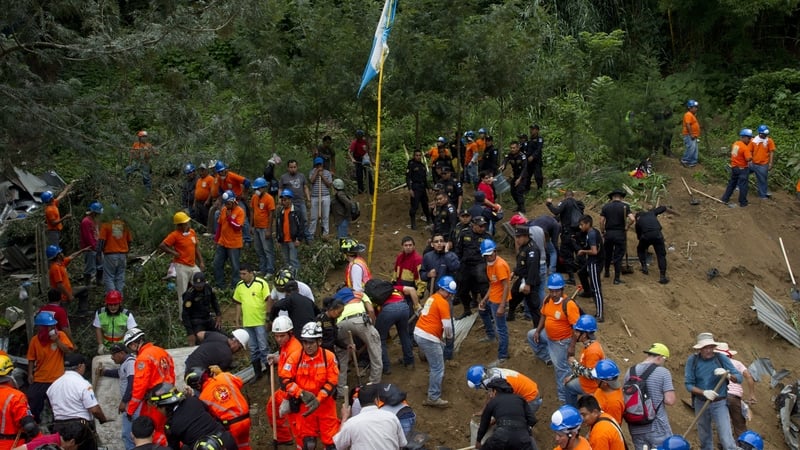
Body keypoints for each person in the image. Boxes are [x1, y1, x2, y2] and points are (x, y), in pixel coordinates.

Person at [281, 322, 340, 450]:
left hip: (325, 406)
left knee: (332, 443)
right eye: (305, 342)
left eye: (311, 342)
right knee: (308, 443)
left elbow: (332, 382)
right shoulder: (295, 357)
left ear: (319, 341)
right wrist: (300, 393)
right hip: (304, 407)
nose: (308, 346)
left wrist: (318, 399)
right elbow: (285, 380)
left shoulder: (329, 357)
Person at [684, 332, 742, 450]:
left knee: (727, 440)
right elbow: (688, 385)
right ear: (700, 348)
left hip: (719, 402)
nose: (709, 350)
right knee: (705, 439)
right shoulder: (693, 360)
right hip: (701, 402)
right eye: (705, 348)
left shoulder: (721, 358)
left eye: (711, 347)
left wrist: (728, 375)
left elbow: (739, 378)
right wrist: (704, 392)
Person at [530, 274, 580, 404]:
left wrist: (572, 346)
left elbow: (577, 329)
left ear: (562, 290)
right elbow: (543, 315)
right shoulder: (548, 300)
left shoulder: (569, 305)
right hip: (549, 335)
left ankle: (564, 397)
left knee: (561, 370)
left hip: (561, 341)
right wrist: (538, 331)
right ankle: (547, 358)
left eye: (556, 290)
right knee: (531, 335)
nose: (553, 293)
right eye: (551, 290)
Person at [124, 327, 175, 447]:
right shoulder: (162, 351)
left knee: (152, 431)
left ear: (133, 344)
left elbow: (139, 387)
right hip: (170, 397)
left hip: (154, 402)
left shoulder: (142, 358)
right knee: (166, 428)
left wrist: (130, 410)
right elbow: (171, 373)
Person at [47, 353, 110, 450]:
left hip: (58, 427)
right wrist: (103, 419)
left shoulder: (53, 385)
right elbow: (94, 409)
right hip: (79, 427)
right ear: (80, 366)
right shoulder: (82, 384)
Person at [147, 383, 237, 450]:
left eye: (157, 407)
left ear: (164, 406)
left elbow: (174, 448)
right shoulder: (193, 400)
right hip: (227, 440)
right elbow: (210, 412)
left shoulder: (170, 425)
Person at [414, 276, 456, 407]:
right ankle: (433, 396)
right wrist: (449, 337)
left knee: (439, 353)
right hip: (429, 337)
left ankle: (434, 383)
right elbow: (447, 325)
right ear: (445, 290)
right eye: (449, 293)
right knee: (438, 367)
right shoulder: (443, 303)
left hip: (419, 332)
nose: (450, 296)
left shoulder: (432, 297)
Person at [624, 342, 676, 449]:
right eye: (664, 359)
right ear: (659, 357)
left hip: (636, 428)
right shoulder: (663, 372)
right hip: (657, 427)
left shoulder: (630, 371)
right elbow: (670, 400)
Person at [27, 311, 75, 422]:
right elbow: (31, 358)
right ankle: (35, 425)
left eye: (53, 326)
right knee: (32, 401)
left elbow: (68, 351)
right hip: (40, 378)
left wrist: (57, 341)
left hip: (57, 379)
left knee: (58, 405)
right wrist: (30, 373)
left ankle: (57, 427)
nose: (52, 328)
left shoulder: (60, 336)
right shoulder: (35, 340)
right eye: (49, 327)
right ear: (41, 328)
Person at [189, 367, 251, 450]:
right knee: (244, 445)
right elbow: (239, 382)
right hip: (246, 419)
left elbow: (210, 416)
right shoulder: (224, 376)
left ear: (197, 385)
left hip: (231, 426)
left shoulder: (203, 398)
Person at [333, 287, 382, 389]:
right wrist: (371, 326)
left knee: (342, 356)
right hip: (359, 320)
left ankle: (341, 388)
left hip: (340, 324)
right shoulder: (359, 294)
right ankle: (374, 382)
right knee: (374, 349)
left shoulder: (336, 298)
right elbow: (371, 310)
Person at [334, 383, 407, 450]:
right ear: (377, 400)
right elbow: (402, 443)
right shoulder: (391, 417)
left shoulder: (351, 423)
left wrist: (344, 417)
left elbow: (338, 445)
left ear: (359, 402)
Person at [265, 316, 302, 446]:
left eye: (282, 336)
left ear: (290, 333)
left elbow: (295, 377)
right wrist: (276, 359)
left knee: (295, 420)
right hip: (284, 387)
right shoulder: (286, 345)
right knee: (272, 407)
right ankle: (283, 438)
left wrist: (288, 398)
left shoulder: (295, 349)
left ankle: (301, 443)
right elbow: (285, 359)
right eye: (276, 336)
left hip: (292, 391)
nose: (279, 339)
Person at [473, 378, 536, 450]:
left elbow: (484, 423)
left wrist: (478, 441)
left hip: (501, 437)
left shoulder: (493, 402)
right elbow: (532, 420)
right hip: (523, 438)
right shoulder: (520, 398)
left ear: (495, 391)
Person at [232, 263, 270, 378]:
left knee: (263, 347)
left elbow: (268, 300)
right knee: (253, 349)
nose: (242, 276)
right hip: (247, 323)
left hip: (260, 321)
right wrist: (237, 320)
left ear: (251, 273)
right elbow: (238, 304)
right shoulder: (239, 285)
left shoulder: (261, 283)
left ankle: (269, 372)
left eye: (244, 274)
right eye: (240, 274)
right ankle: (258, 374)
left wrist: (268, 318)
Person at [160, 211, 204, 311]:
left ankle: (199, 309)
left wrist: (201, 261)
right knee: (182, 292)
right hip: (181, 266)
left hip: (193, 265)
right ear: (180, 225)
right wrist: (174, 253)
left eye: (187, 223)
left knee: (201, 285)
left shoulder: (192, 232)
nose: (187, 225)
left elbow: (196, 248)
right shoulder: (174, 235)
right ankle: (183, 316)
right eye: (185, 223)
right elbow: (162, 245)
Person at [477, 239, 511, 366]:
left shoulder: (500, 265)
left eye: (490, 255)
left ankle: (503, 355)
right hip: (492, 298)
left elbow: (506, 286)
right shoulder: (489, 264)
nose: (489, 257)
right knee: (482, 312)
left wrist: (502, 306)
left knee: (501, 328)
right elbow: (492, 284)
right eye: (486, 256)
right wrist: (485, 299)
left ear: (495, 252)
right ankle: (491, 335)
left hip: (499, 301)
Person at [97, 344, 136, 450]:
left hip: (132, 403)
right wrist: (104, 372)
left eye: (114, 355)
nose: (112, 358)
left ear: (122, 353)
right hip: (130, 403)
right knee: (129, 433)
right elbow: (119, 373)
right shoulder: (125, 364)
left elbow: (132, 383)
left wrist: (124, 401)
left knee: (129, 434)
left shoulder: (130, 363)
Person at [467, 364, 542, 417]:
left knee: (515, 421)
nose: (481, 388)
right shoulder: (491, 374)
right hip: (527, 389)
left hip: (531, 398)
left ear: (482, 381)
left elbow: (505, 408)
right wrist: (484, 411)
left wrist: (489, 423)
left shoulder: (502, 386)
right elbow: (490, 395)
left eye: (480, 386)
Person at [714, 342, 755, 437]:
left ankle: (724, 444)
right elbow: (749, 377)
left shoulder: (715, 363)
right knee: (739, 425)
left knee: (723, 424)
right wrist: (752, 394)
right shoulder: (737, 363)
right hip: (734, 398)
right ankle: (742, 444)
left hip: (719, 396)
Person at [454, 216, 491, 319]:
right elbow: (458, 250)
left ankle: (488, 312)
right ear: (473, 225)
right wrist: (459, 263)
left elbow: (491, 252)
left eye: (484, 226)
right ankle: (467, 309)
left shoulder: (487, 236)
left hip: (480, 264)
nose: (482, 228)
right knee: (461, 290)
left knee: (484, 288)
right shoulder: (464, 233)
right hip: (466, 265)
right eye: (480, 226)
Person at [564, 315, 605, 407]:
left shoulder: (592, 351)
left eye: (578, 331)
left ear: (584, 334)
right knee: (569, 384)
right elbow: (584, 365)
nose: (575, 333)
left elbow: (591, 374)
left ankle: (572, 412)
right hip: (585, 382)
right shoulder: (590, 345)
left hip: (590, 387)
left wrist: (574, 364)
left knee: (569, 388)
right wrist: (572, 376)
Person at [0, 354, 38, 450]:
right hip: (11, 444)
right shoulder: (16, 396)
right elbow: (29, 426)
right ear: (10, 374)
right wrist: (41, 438)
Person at [546, 191, 585, 285]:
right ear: (573, 196)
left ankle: (571, 278)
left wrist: (549, 204)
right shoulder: (578, 204)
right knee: (580, 253)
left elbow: (556, 212)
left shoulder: (566, 202)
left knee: (567, 255)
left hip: (567, 233)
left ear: (565, 196)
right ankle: (585, 273)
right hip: (578, 233)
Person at [376, 285, 415, 375]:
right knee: (404, 334)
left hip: (388, 309)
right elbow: (412, 289)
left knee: (380, 339)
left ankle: (386, 367)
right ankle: (409, 362)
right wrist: (416, 305)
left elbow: (376, 315)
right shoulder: (394, 287)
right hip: (403, 306)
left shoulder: (374, 295)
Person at [508, 225, 542, 326]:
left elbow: (533, 268)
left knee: (533, 306)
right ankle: (510, 315)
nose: (517, 240)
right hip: (522, 278)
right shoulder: (524, 247)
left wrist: (528, 284)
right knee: (513, 296)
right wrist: (514, 272)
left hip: (530, 281)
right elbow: (521, 262)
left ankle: (538, 328)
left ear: (526, 236)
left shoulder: (532, 249)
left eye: (519, 237)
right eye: (516, 237)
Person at [599, 188, 634, 285]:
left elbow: (601, 221)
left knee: (608, 254)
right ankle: (617, 278)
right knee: (618, 256)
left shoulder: (606, 207)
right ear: (621, 197)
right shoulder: (625, 206)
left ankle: (606, 272)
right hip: (620, 234)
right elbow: (632, 219)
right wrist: (627, 226)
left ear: (612, 198)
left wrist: (602, 231)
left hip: (609, 234)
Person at [213, 190, 245, 289]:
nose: (226, 205)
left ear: (233, 201)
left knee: (235, 267)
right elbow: (219, 225)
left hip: (234, 244)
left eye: (228, 203)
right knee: (217, 264)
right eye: (225, 203)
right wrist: (216, 239)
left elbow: (238, 227)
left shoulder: (240, 211)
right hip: (222, 242)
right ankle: (220, 285)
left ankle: (234, 286)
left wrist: (230, 218)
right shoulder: (223, 210)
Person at [576, 215, 605, 321]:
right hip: (594, 261)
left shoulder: (591, 234)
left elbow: (594, 251)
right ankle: (587, 292)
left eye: (582, 225)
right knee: (581, 273)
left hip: (594, 262)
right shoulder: (594, 232)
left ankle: (600, 314)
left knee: (596, 288)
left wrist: (583, 251)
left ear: (588, 224)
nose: (580, 227)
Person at [47, 245, 90, 315]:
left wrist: (83, 250)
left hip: (68, 291)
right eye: (61, 252)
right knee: (63, 316)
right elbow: (59, 285)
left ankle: (82, 311)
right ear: (58, 256)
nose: (63, 254)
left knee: (84, 290)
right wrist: (69, 295)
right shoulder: (55, 268)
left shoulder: (61, 263)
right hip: (63, 296)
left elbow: (72, 256)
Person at [97, 207, 132, 293]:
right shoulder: (124, 225)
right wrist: (126, 252)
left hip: (110, 255)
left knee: (109, 277)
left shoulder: (106, 225)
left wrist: (98, 253)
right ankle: (119, 299)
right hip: (122, 255)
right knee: (120, 277)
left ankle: (112, 299)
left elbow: (101, 241)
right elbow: (129, 241)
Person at [181, 272, 222, 345]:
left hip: (208, 318)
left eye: (200, 286)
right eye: (197, 286)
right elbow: (185, 314)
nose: (198, 288)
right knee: (200, 341)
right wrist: (190, 333)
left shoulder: (208, 288)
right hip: (196, 321)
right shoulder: (189, 294)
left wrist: (218, 314)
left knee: (222, 336)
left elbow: (214, 301)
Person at [634, 205, 670, 284]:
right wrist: (663, 207)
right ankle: (662, 276)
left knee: (640, 249)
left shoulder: (638, 223)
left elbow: (639, 237)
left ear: (637, 217)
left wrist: (645, 246)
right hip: (658, 235)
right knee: (661, 255)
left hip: (646, 236)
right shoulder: (651, 213)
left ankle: (644, 267)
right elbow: (662, 208)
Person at [93, 290, 137, 354]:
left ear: (120, 303)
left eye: (115, 304)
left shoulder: (127, 315)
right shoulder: (100, 313)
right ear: (107, 304)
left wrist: (132, 347)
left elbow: (133, 332)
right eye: (110, 305)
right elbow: (98, 329)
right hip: (106, 347)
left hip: (122, 347)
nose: (113, 307)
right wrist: (100, 345)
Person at [184, 329, 248, 373]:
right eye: (240, 348)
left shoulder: (217, 335)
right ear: (236, 343)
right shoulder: (227, 356)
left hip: (189, 362)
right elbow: (217, 375)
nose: (238, 351)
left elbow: (199, 334)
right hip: (199, 373)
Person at [720, 129, 754, 208]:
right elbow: (748, 159)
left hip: (734, 167)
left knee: (732, 183)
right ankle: (743, 202)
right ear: (744, 137)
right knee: (743, 186)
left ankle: (725, 198)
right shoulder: (745, 148)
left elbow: (734, 154)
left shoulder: (735, 144)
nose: (750, 140)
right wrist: (751, 157)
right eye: (749, 138)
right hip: (743, 169)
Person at [249, 177, 276, 276]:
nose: (256, 191)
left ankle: (270, 270)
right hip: (256, 227)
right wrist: (251, 226)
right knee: (259, 249)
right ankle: (262, 269)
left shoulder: (269, 199)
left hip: (264, 228)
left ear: (263, 188)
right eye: (255, 189)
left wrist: (269, 229)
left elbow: (271, 214)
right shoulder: (254, 197)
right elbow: (252, 211)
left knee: (268, 250)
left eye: (258, 189)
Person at [275, 189, 302, 274]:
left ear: (290, 200)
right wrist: (278, 239)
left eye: (285, 200)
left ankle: (296, 277)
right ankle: (288, 277)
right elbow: (278, 226)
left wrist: (299, 238)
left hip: (293, 240)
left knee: (293, 260)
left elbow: (301, 226)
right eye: (282, 200)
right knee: (286, 261)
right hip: (284, 240)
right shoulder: (281, 212)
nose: (283, 202)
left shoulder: (296, 211)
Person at [392, 236, 423, 308]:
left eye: (410, 245)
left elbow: (421, 281)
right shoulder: (400, 257)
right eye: (406, 245)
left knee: (411, 314)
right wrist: (393, 284)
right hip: (399, 291)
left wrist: (418, 295)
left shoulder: (417, 260)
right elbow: (395, 272)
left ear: (414, 246)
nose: (408, 247)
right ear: (402, 246)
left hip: (411, 294)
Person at [590, 359, 624, 424]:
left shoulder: (613, 403)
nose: (594, 380)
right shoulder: (602, 388)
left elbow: (613, 425)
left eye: (596, 379)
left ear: (605, 383)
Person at [407, 149, 433, 230]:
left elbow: (425, 179)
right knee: (414, 205)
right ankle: (413, 223)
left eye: (419, 155)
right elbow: (408, 178)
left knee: (425, 204)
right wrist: (410, 189)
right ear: (414, 156)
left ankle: (429, 220)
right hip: (415, 187)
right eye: (416, 155)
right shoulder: (411, 165)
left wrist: (428, 188)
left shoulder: (422, 166)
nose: (418, 157)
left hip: (422, 187)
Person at [499, 141, 528, 214]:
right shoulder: (509, 155)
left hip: (522, 176)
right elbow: (505, 160)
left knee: (519, 191)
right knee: (513, 191)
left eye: (514, 148)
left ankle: (522, 209)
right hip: (515, 175)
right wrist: (503, 165)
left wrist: (519, 179)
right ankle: (519, 206)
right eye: (511, 148)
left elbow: (525, 168)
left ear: (518, 148)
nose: (512, 149)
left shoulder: (522, 156)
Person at [308, 156, 333, 239]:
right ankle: (311, 235)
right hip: (315, 197)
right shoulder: (312, 172)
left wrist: (322, 176)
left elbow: (329, 184)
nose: (319, 166)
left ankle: (325, 234)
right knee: (313, 217)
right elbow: (311, 181)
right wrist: (316, 172)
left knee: (325, 217)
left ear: (322, 164)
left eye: (320, 164)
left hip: (325, 196)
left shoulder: (327, 173)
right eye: (317, 164)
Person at [79, 201, 103, 286]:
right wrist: (94, 246)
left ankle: (99, 281)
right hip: (89, 248)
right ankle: (87, 285)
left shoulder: (94, 220)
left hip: (97, 246)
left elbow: (97, 233)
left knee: (100, 264)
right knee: (89, 267)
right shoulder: (86, 222)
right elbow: (88, 236)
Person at [751, 125, 775, 199]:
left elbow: (771, 152)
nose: (765, 136)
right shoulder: (753, 141)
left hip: (763, 164)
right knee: (742, 173)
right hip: (752, 163)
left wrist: (770, 163)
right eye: (764, 134)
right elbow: (749, 150)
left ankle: (762, 195)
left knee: (762, 180)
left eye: (766, 134)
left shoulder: (769, 141)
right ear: (760, 133)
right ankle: (738, 186)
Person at [349, 130, 373, 194]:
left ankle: (371, 191)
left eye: (361, 136)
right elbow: (349, 152)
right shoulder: (354, 143)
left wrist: (371, 160)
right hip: (358, 159)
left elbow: (369, 151)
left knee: (368, 174)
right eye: (358, 136)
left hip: (365, 158)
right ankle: (360, 192)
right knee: (359, 176)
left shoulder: (365, 142)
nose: (360, 137)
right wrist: (352, 159)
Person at [681, 100, 701, 167]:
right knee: (691, 148)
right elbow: (688, 124)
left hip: (694, 135)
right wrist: (691, 134)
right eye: (694, 107)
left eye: (696, 107)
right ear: (690, 107)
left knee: (695, 149)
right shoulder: (688, 114)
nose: (696, 109)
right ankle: (685, 160)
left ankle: (693, 162)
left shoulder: (692, 115)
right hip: (689, 135)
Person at [193, 163, 214, 227]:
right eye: (200, 171)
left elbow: (211, 191)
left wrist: (208, 200)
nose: (201, 172)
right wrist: (194, 202)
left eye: (202, 170)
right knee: (198, 217)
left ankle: (207, 230)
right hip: (198, 202)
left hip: (205, 202)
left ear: (206, 171)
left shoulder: (210, 178)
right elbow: (196, 191)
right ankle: (200, 230)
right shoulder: (199, 180)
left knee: (206, 217)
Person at [526, 124, 544, 191]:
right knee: (527, 176)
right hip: (529, 162)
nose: (531, 131)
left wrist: (533, 156)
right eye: (531, 129)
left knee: (538, 176)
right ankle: (527, 190)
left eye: (533, 129)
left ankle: (540, 189)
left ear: (537, 130)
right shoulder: (530, 140)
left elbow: (538, 149)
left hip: (536, 161)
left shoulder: (540, 139)